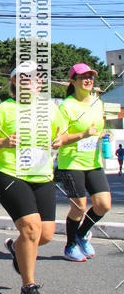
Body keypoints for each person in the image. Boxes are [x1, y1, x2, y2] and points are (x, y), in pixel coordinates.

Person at [0, 61, 65, 294]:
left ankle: (17, 248)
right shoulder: (3, 110)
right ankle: (28, 287)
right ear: (16, 81)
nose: (33, 81)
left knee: (45, 235)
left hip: (43, 177)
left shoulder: (50, 109)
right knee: (30, 228)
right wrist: (4, 142)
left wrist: (60, 139)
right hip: (11, 175)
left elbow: (61, 133)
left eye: (37, 77)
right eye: (26, 77)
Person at [56, 63, 112, 261]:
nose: (88, 80)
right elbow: (59, 139)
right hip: (71, 163)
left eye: (91, 76)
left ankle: (82, 234)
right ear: (73, 81)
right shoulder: (66, 106)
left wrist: (102, 134)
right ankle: (70, 246)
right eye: (83, 77)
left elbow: (99, 127)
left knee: (103, 205)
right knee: (79, 207)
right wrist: (83, 134)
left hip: (93, 162)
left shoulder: (97, 102)